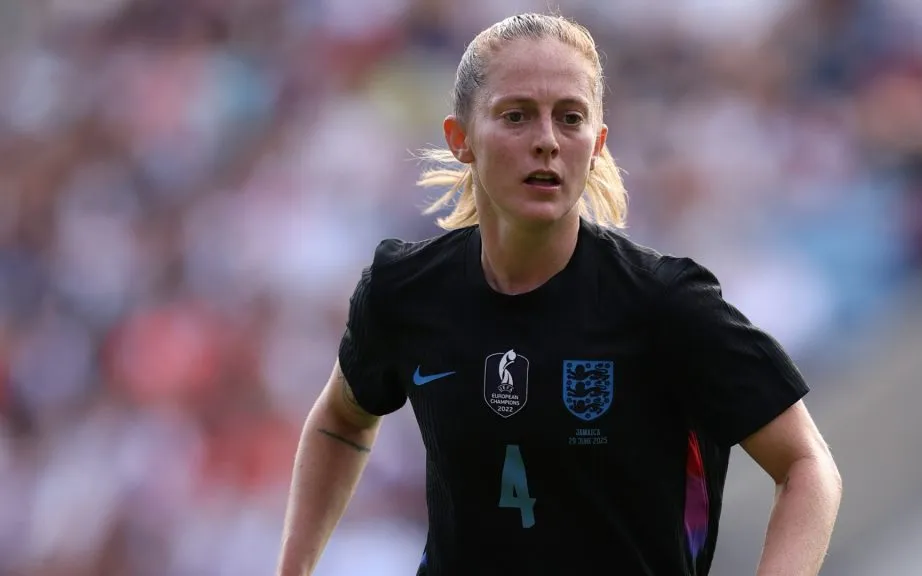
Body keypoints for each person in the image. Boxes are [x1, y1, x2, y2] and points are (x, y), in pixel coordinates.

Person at [276, 12, 842, 576]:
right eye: (516, 116)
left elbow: (806, 465)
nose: (546, 141)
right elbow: (340, 421)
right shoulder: (405, 290)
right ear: (461, 139)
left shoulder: (667, 304)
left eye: (569, 118)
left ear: (596, 143)